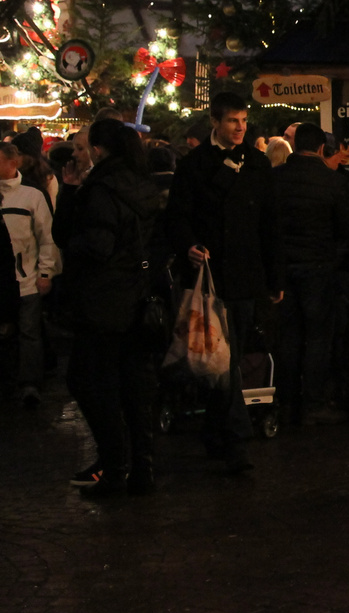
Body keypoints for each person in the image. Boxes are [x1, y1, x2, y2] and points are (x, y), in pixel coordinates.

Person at [165, 92, 284, 475]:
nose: (240, 128)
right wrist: (189, 246)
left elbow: (269, 223)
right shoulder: (195, 166)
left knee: (227, 359)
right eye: (233, 120)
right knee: (222, 359)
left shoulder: (257, 164)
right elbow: (179, 215)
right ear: (216, 121)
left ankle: (216, 431)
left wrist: (273, 276)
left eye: (244, 121)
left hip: (246, 274)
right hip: (211, 278)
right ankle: (236, 440)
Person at [53, 120, 162, 497]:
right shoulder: (143, 184)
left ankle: (115, 466)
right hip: (138, 297)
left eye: (84, 148)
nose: (80, 155)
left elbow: (91, 243)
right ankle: (141, 468)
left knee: (88, 380)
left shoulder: (101, 189)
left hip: (104, 301)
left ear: (99, 150)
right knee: (134, 386)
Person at [271, 124, 349, 426]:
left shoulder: (275, 179)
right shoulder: (331, 182)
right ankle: (314, 402)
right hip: (319, 268)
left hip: (283, 269)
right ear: (321, 149)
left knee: (289, 336)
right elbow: (345, 229)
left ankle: (287, 400)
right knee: (318, 337)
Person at [0, 142, 58, 407]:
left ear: (12, 163)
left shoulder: (31, 196)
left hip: (25, 278)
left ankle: (29, 384)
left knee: (29, 332)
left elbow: (47, 237)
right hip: (7, 281)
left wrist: (45, 272)